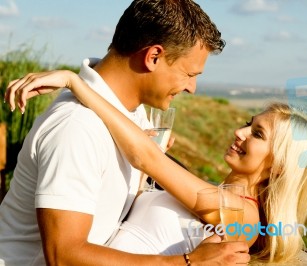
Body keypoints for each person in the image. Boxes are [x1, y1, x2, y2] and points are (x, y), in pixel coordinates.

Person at [0, 0, 251, 265]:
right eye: (189, 74)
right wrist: (188, 261)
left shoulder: (132, 115)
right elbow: (63, 256)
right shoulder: (77, 127)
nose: (192, 87)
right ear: (153, 56)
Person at [5, 69, 307, 263]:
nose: (239, 132)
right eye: (248, 123)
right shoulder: (211, 194)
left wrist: (76, 83)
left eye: (257, 134)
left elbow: (147, 157)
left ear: (280, 166)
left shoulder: (244, 216)